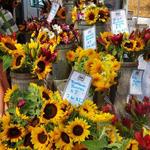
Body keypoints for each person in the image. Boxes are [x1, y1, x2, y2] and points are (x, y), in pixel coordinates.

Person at [0, 0, 19, 116]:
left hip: (3, 52)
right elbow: (14, 34)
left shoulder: (4, 14)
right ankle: (8, 109)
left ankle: (4, 113)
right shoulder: (6, 13)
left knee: (2, 82)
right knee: (4, 80)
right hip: (6, 52)